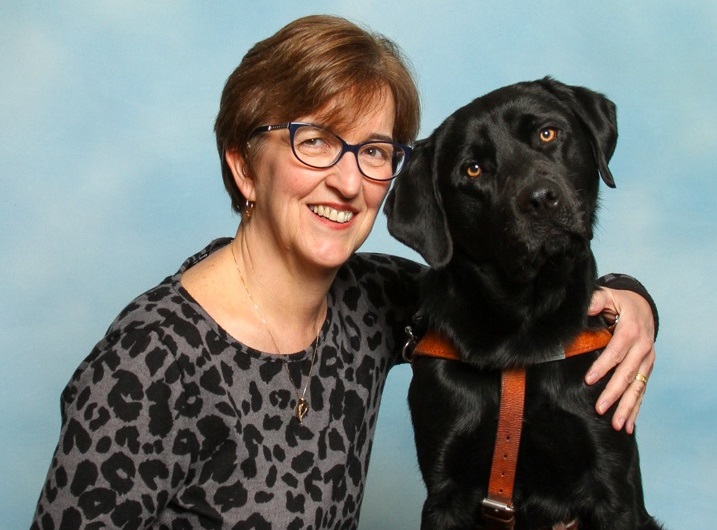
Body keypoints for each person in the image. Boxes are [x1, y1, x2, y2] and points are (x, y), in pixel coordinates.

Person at [31, 14, 658, 530]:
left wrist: (633, 300)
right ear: (245, 168)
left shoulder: (372, 300)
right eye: (315, 141)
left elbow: (497, 298)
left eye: (374, 151)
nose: (348, 179)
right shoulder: (146, 365)